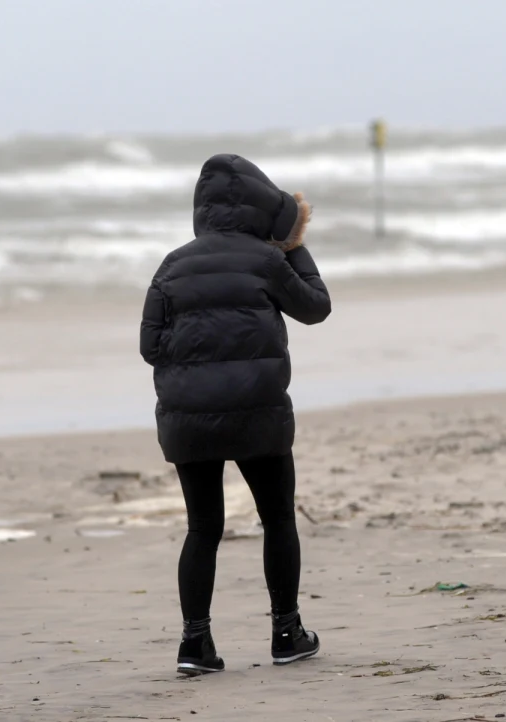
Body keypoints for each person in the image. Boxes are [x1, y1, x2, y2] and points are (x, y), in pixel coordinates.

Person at [139, 154, 332, 676]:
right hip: (259, 417)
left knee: (202, 528)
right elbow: (316, 306)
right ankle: (286, 633)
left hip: (189, 420)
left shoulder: (171, 266)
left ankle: (194, 645)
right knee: (277, 518)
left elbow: (150, 348)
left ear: (201, 209)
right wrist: (295, 247)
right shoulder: (267, 261)